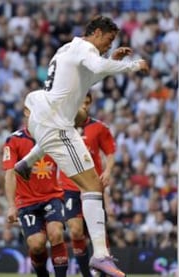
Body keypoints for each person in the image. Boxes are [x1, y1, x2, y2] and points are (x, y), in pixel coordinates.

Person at [14, 15, 148, 276]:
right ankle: (100, 256)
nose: (108, 47)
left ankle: (27, 162)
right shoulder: (86, 48)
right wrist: (132, 65)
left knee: (64, 136)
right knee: (92, 185)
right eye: (108, 41)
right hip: (55, 122)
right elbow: (96, 67)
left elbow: (87, 80)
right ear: (97, 33)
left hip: (43, 115)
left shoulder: (67, 49)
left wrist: (114, 61)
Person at [3, 108, 69, 277]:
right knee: (36, 245)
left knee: (56, 233)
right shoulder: (13, 140)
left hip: (52, 197)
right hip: (27, 202)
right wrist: (11, 205)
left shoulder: (54, 137)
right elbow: (9, 173)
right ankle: (42, 273)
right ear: (26, 112)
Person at [59, 93, 116, 277]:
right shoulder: (63, 127)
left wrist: (107, 172)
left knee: (97, 231)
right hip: (70, 187)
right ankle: (86, 273)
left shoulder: (99, 127)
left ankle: (104, 266)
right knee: (76, 231)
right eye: (80, 102)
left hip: (92, 186)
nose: (83, 105)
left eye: (86, 102)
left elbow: (110, 152)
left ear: (90, 104)